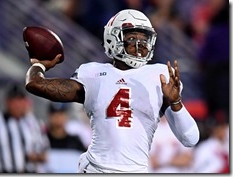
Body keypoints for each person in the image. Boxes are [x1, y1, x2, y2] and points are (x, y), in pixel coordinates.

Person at [25, 9, 199, 173]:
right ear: (113, 38)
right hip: (96, 168)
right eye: (132, 38)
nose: (139, 45)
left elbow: (190, 139)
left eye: (143, 39)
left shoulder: (159, 76)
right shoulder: (93, 73)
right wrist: (39, 65)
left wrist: (176, 103)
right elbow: (35, 84)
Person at [0, 83, 49, 173]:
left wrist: (35, 156)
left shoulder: (32, 123)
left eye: (20, 100)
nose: (17, 105)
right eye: (14, 100)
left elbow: (44, 151)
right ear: (7, 102)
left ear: (25, 102)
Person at [42, 102, 86, 173]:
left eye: (61, 114)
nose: (58, 117)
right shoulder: (43, 140)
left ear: (66, 116)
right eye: (54, 114)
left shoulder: (75, 141)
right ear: (49, 116)